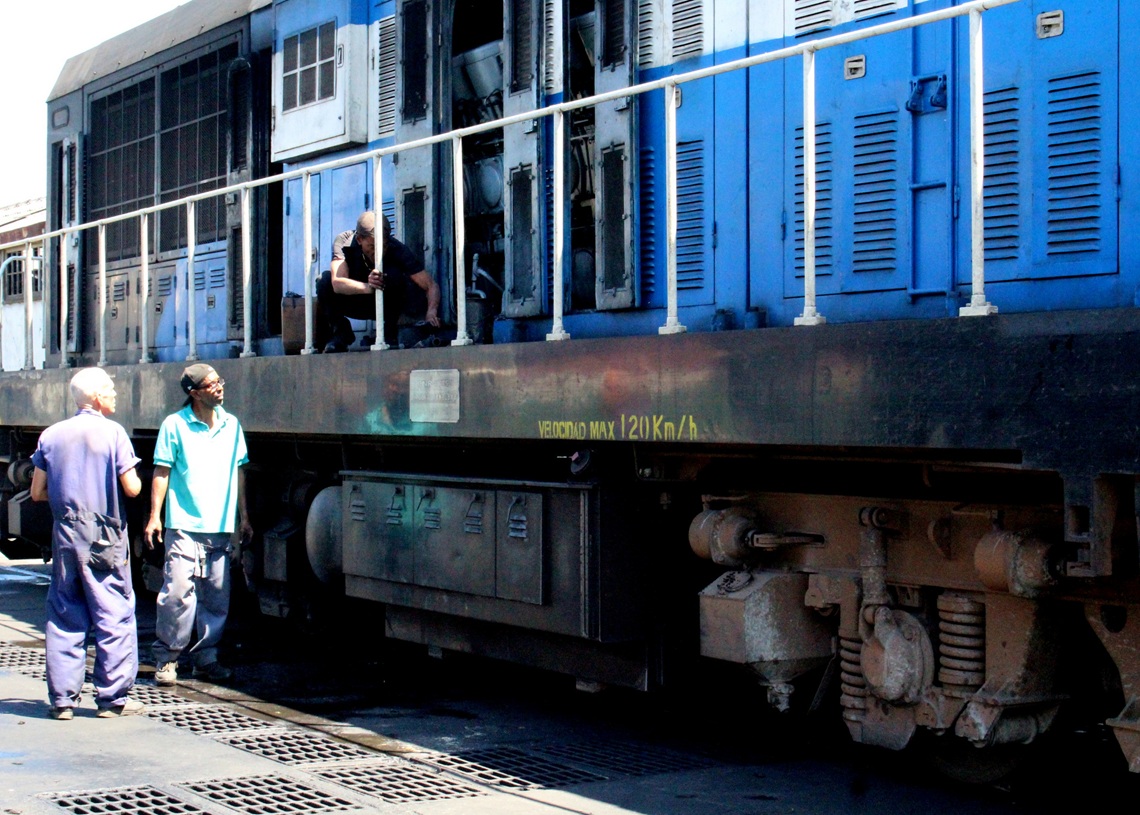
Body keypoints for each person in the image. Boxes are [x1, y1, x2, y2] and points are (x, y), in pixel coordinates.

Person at [30, 367, 145, 719]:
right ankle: (112, 699)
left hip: (66, 533)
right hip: (105, 534)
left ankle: (63, 700)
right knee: (113, 613)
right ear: (95, 397)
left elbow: (36, 492)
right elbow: (132, 488)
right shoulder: (113, 434)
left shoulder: (51, 435)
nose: (115, 394)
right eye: (110, 389)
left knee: (65, 612)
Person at [145, 364, 251, 686]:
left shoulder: (232, 425)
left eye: (220, 381)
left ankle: (206, 659)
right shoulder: (174, 425)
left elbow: (239, 471)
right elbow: (162, 471)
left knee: (216, 597)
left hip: (219, 524)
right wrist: (154, 516)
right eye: (212, 385)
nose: (220, 387)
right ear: (194, 393)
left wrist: (243, 517)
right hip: (184, 522)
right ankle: (167, 659)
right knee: (178, 593)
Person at [316, 211, 440, 352]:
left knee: (398, 276)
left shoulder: (397, 249)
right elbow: (337, 284)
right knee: (323, 281)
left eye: (383, 246)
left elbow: (430, 285)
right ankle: (341, 333)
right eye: (372, 247)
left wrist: (432, 311)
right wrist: (369, 287)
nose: (378, 252)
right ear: (359, 240)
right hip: (354, 300)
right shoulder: (344, 242)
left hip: (384, 306)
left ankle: (389, 334)